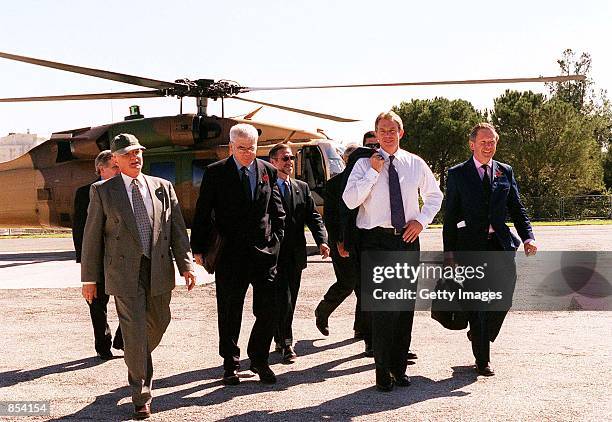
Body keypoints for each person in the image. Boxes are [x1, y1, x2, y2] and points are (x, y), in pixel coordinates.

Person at [81, 134, 196, 420]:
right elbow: (92, 238)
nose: (135, 157)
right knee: (133, 331)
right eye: (128, 154)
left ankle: (136, 353)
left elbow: (178, 231)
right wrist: (89, 280)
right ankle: (141, 394)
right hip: (122, 272)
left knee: (159, 321)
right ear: (115, 160)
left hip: (158, 268)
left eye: (138, 152)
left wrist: (187, 265)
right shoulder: (103, 192)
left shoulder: (162, 187)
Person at [343, 111, 443, 391]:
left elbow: (435, 196)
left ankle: (399, 369)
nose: (387, 134)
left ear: (401, 132)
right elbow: (350, 201)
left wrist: (421, 221)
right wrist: (373, 173)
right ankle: (382, 371)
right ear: (375, 134)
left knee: (403, 307)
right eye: (382, 130)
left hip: (407, 240)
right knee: (384, 309)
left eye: (392, 129)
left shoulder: (415, 163)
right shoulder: (364, 164)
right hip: (376, 241)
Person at [190, 123, 285, 385]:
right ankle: (230, 362)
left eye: (252, 148)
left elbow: (276, 211)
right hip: (230, 255)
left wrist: (277, 239)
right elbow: (202, 212)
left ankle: (259, 359)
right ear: (231, 147)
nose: (247, 153)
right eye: (241, 148)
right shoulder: (216, 173)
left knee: (269, 309)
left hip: (264, 253)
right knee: (230, 311)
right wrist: (197, 248)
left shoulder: (268, 171)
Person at [443, 122, 537, 377]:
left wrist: (528, 237)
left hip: (500, 245)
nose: (488, 146)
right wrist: (449, 253)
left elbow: (517, 208)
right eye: (483, 142)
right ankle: (482, 359)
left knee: (504, 297)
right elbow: (449, 216)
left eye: (492, 141)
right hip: (470, 247)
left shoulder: (505, 171)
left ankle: (478, 333)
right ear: (472, 144)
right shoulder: (457, 174)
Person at [269, 143, 329, 363]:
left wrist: (322, 241)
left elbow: (313, 217)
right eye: (285, 158)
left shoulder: (301, 188)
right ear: (273, 162)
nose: (289, 162)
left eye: (291, 158)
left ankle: (279, 337)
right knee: (281, 299)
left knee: (290, 299)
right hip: (272, 255)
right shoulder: (266, 187)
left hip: (294, 255)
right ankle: (286, 342)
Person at [315, 144, 368, 342]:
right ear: (346, 161)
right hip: (343, 242)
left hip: (364, 241)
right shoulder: (334, 184)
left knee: (365, 288)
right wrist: (339, 241)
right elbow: (330, 217)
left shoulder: (368, 181)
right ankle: (323, 310)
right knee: (347, 283)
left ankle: (362, 331)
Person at [72, 150, 123, 360]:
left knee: (132, 301)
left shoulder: (126, 190)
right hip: (98, 259)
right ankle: (103, 346)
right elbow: (80, 229)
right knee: (97, 303)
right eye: (115, 167)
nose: (119, 171)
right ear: (101, 169)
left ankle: (122, 339)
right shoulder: (85, 193)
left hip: (121, 257)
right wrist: (86, 265)